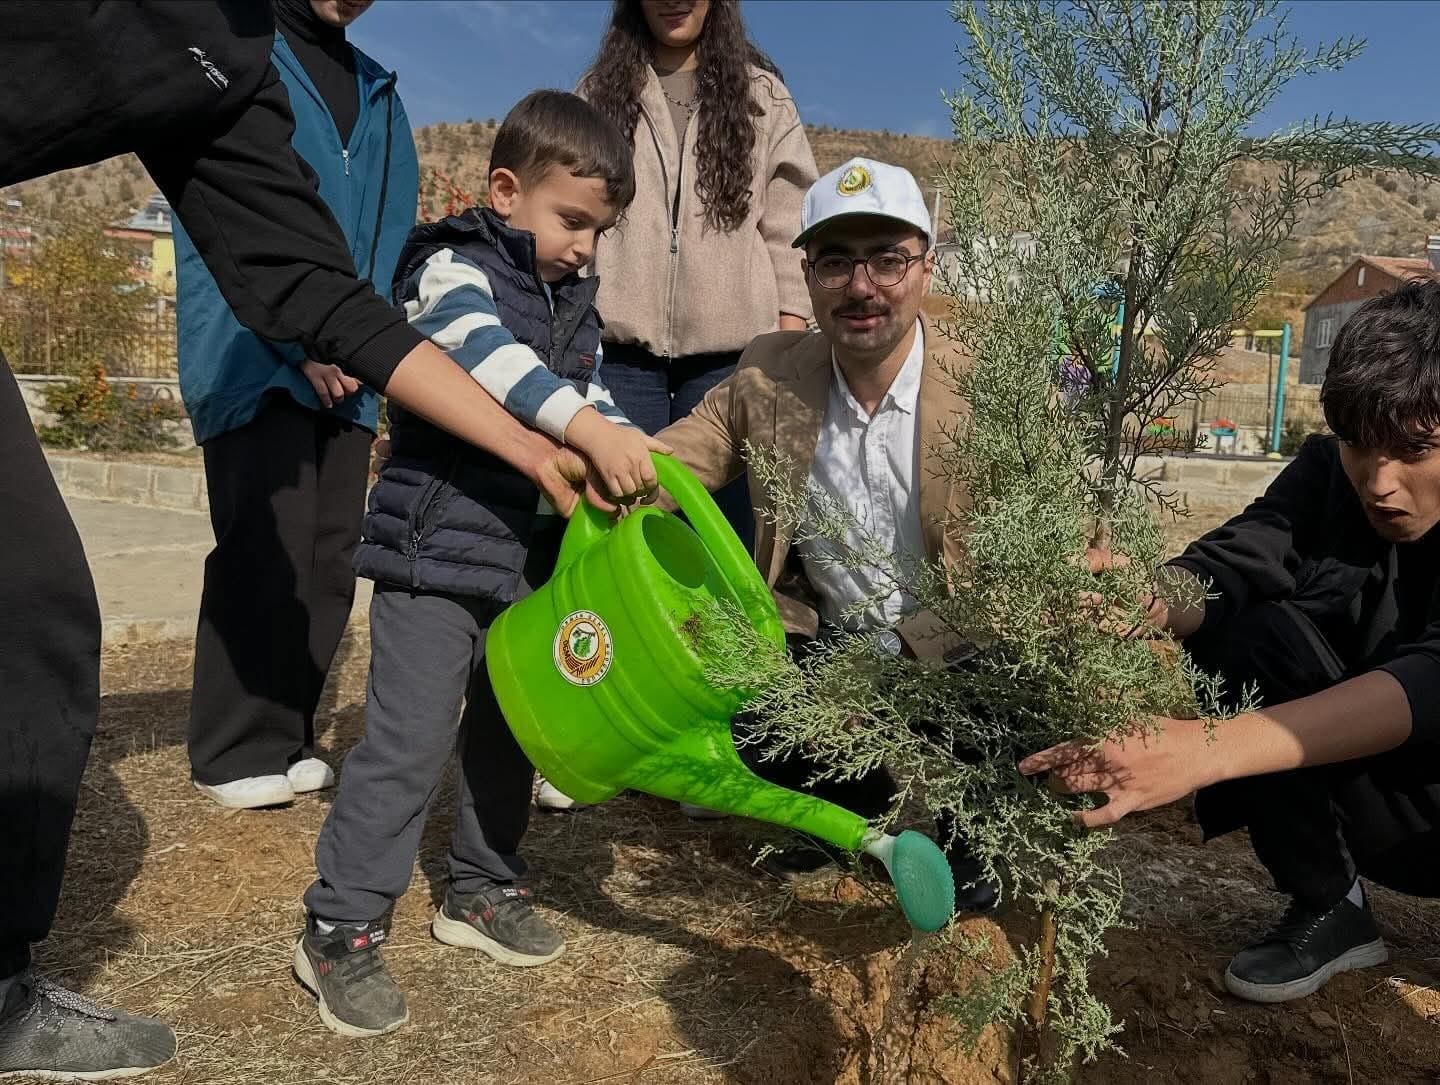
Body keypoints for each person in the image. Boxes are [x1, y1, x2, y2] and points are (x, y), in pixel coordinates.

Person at [0, 4, 599, 1078]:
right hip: (407, 519)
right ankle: (333, 913)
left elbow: (318, 284)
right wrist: (547, 430)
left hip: (465, 500)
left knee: (32, 611)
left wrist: (534, 446)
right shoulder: (458, 261)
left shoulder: (225, 70)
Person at [293, 90, 666, 1038]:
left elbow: (585, 390)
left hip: (525, 566)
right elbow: (489, 361)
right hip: (434, 556)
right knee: (409, 740)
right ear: (506, 191)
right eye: (570, 220)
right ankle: (341, 922)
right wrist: (581, 426)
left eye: (600, 229)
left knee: (511, 730)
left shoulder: (572, 302)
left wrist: (636, 453)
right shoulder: (452, 269)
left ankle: (482, 888)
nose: (585, 245)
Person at [1024, 279, 1440, 1003]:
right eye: (1357, 445)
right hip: (1374, 789)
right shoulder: (1327, 478)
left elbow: (1431, 681)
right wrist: (1145, 598)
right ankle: (1332, 905)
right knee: (1248, 631)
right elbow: (1234, 562)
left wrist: (1201, 749)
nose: (1379, 481)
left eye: (1414, 448)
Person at [649, 157, 995, 910]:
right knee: (747, 706)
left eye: (888, 259)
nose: (862, 286)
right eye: (836, 261)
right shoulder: (771, 374)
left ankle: (975, 844)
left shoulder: (988, 386)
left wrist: (894, 668)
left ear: (926, 268)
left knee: (1006, 710)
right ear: (807, 275)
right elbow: (673, 460)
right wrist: (576, 454)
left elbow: (1028, 569)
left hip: (961, 641)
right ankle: (849, 817)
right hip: (830, 641)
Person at [536, 0, 817, 815]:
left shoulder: (762, 96)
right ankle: (591, 724)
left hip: (731, 355)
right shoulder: (601, 88)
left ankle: (709, 739)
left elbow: (787, 222)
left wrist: (787, 335)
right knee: (605, 536)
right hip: (615, 348)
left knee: (721, 556)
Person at [176, 0, 420, 810]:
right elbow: (222, 215)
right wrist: (299, 337)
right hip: (253, 349)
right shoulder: (240, 53)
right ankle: (230, 744)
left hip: (351, 366)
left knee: (328, 551)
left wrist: (363, 342)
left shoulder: (380, 92)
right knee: (264, 543)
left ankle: (287, 732)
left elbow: (388, 235)